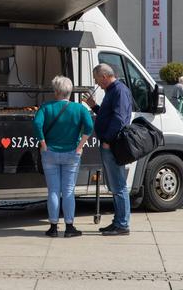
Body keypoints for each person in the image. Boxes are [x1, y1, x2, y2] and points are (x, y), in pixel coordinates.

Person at [34, 76, 93, 238]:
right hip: (72, 153)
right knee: (68, 191)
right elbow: (89, 127)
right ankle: (69, 227)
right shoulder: (79, 109)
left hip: (50, 153)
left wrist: (43, 144)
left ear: (56, 91)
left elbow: (37, 124)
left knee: (53, 190)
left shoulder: (46, 107)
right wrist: (80, 146)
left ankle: (53, 227)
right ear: (70, 91)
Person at [83, 64, 133, 236]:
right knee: (115, 185)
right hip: (109, 143)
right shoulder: (113, 91)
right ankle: (118, 221)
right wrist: (94, 106)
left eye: (97, 80)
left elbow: (119, 119)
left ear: (104, 76)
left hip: (113, 144)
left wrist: (108, 140)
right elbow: (108, 115)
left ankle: (122, 224)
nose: (97, 83)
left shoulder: (119, 90)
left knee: (118, 185)